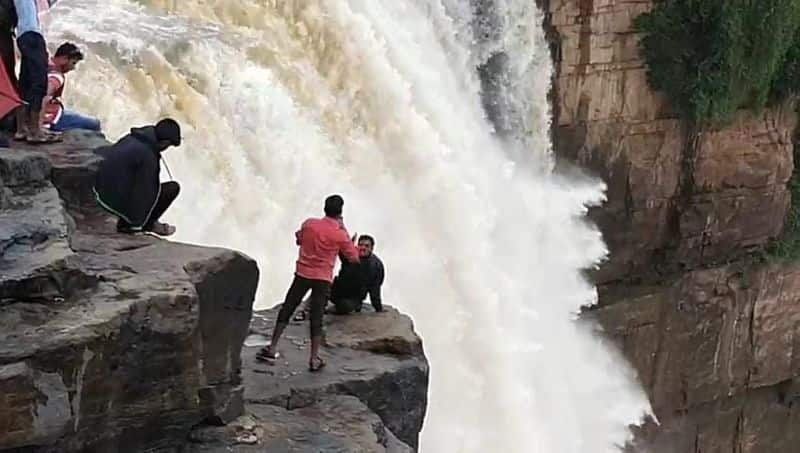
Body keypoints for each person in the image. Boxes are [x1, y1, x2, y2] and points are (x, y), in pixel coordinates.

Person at [256, 195, 360, 372]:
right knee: (316, 316)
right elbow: (354, 258)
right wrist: (345, 231)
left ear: (324, 208)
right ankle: (313, 359)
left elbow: (298, 240)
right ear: (340, 212)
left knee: (288, 307)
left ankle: (272, 347)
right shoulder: (340, 234)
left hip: (303, 273)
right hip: (323, 278)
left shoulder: (309, 224)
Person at [93, 118, 182, 236]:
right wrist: (136, 226)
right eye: (169, 145)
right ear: (165, 143)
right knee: (172, 188)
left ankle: (146, 222)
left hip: (100, 194)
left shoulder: (133, 137)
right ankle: (146, 224)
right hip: (114, 204)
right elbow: (145, 193)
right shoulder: (148, 156)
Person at [13, 0, 60, 143]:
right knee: (39, 83)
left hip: (22, 35)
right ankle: (35, 131)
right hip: (32, 34)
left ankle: (21, 129)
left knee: (25, 82)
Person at [42, 42, 100, 132]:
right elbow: (46, 93)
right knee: (95, 123)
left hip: (44, 113)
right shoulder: (57, 76)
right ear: (64, 59)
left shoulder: (46, 64)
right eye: (73, 63)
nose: (73, 68)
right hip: (52, 118)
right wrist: (40, 124)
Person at [329, 234, 385, 314]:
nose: (363, 248)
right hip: (337, 290)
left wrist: (378, 308)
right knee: (321, 284)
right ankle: (308, 309)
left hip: (354, 297)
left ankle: (351, 306)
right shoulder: (350, 255)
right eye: (360, 245)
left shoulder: (376, 265)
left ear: (371, 248)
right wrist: (347, 244)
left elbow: (375, 289)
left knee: (345, 306)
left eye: (366, 246)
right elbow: (340, 252)